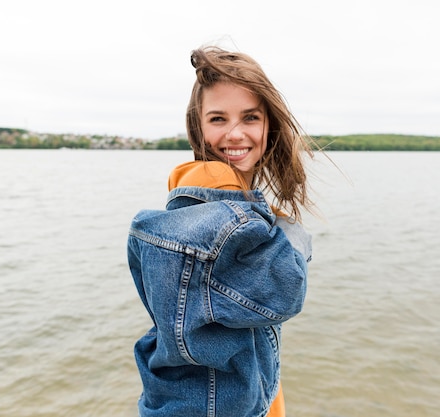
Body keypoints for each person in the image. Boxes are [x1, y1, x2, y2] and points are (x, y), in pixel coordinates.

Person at [127, 45, 315, 417]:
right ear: (197, 126)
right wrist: (292, 231)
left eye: (250, 117)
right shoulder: (215, 187)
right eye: (217, 119)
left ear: (267, 124)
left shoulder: (222, 198)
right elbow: (285, 288)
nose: (235, 134)